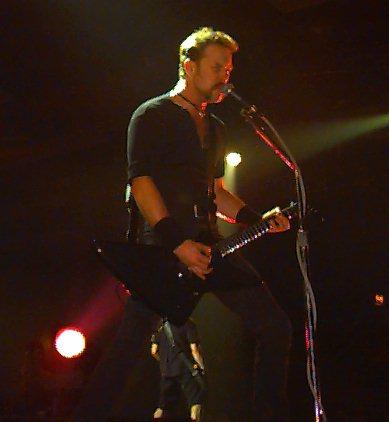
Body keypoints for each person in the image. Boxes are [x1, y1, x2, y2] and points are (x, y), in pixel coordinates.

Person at [74, 27, 292, 421]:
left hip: (208, 246)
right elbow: (141, 183)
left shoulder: (216, 127)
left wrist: (254, 219)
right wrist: (177, 244)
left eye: (228, 69)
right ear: (189, 66)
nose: (225, 76)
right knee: (129, 351)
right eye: (217, 67)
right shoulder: (152, 115)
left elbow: (216, 193)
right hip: (162, 249)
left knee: (275, 326)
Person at [151, 318, 205, 421]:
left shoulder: (161, 325)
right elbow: (194, 350)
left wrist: (163, 363)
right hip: (184, 369)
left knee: (161, 408)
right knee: (195, 402)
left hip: (166, 371)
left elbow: (153, 351)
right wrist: (201, 367)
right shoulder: (188, 323)